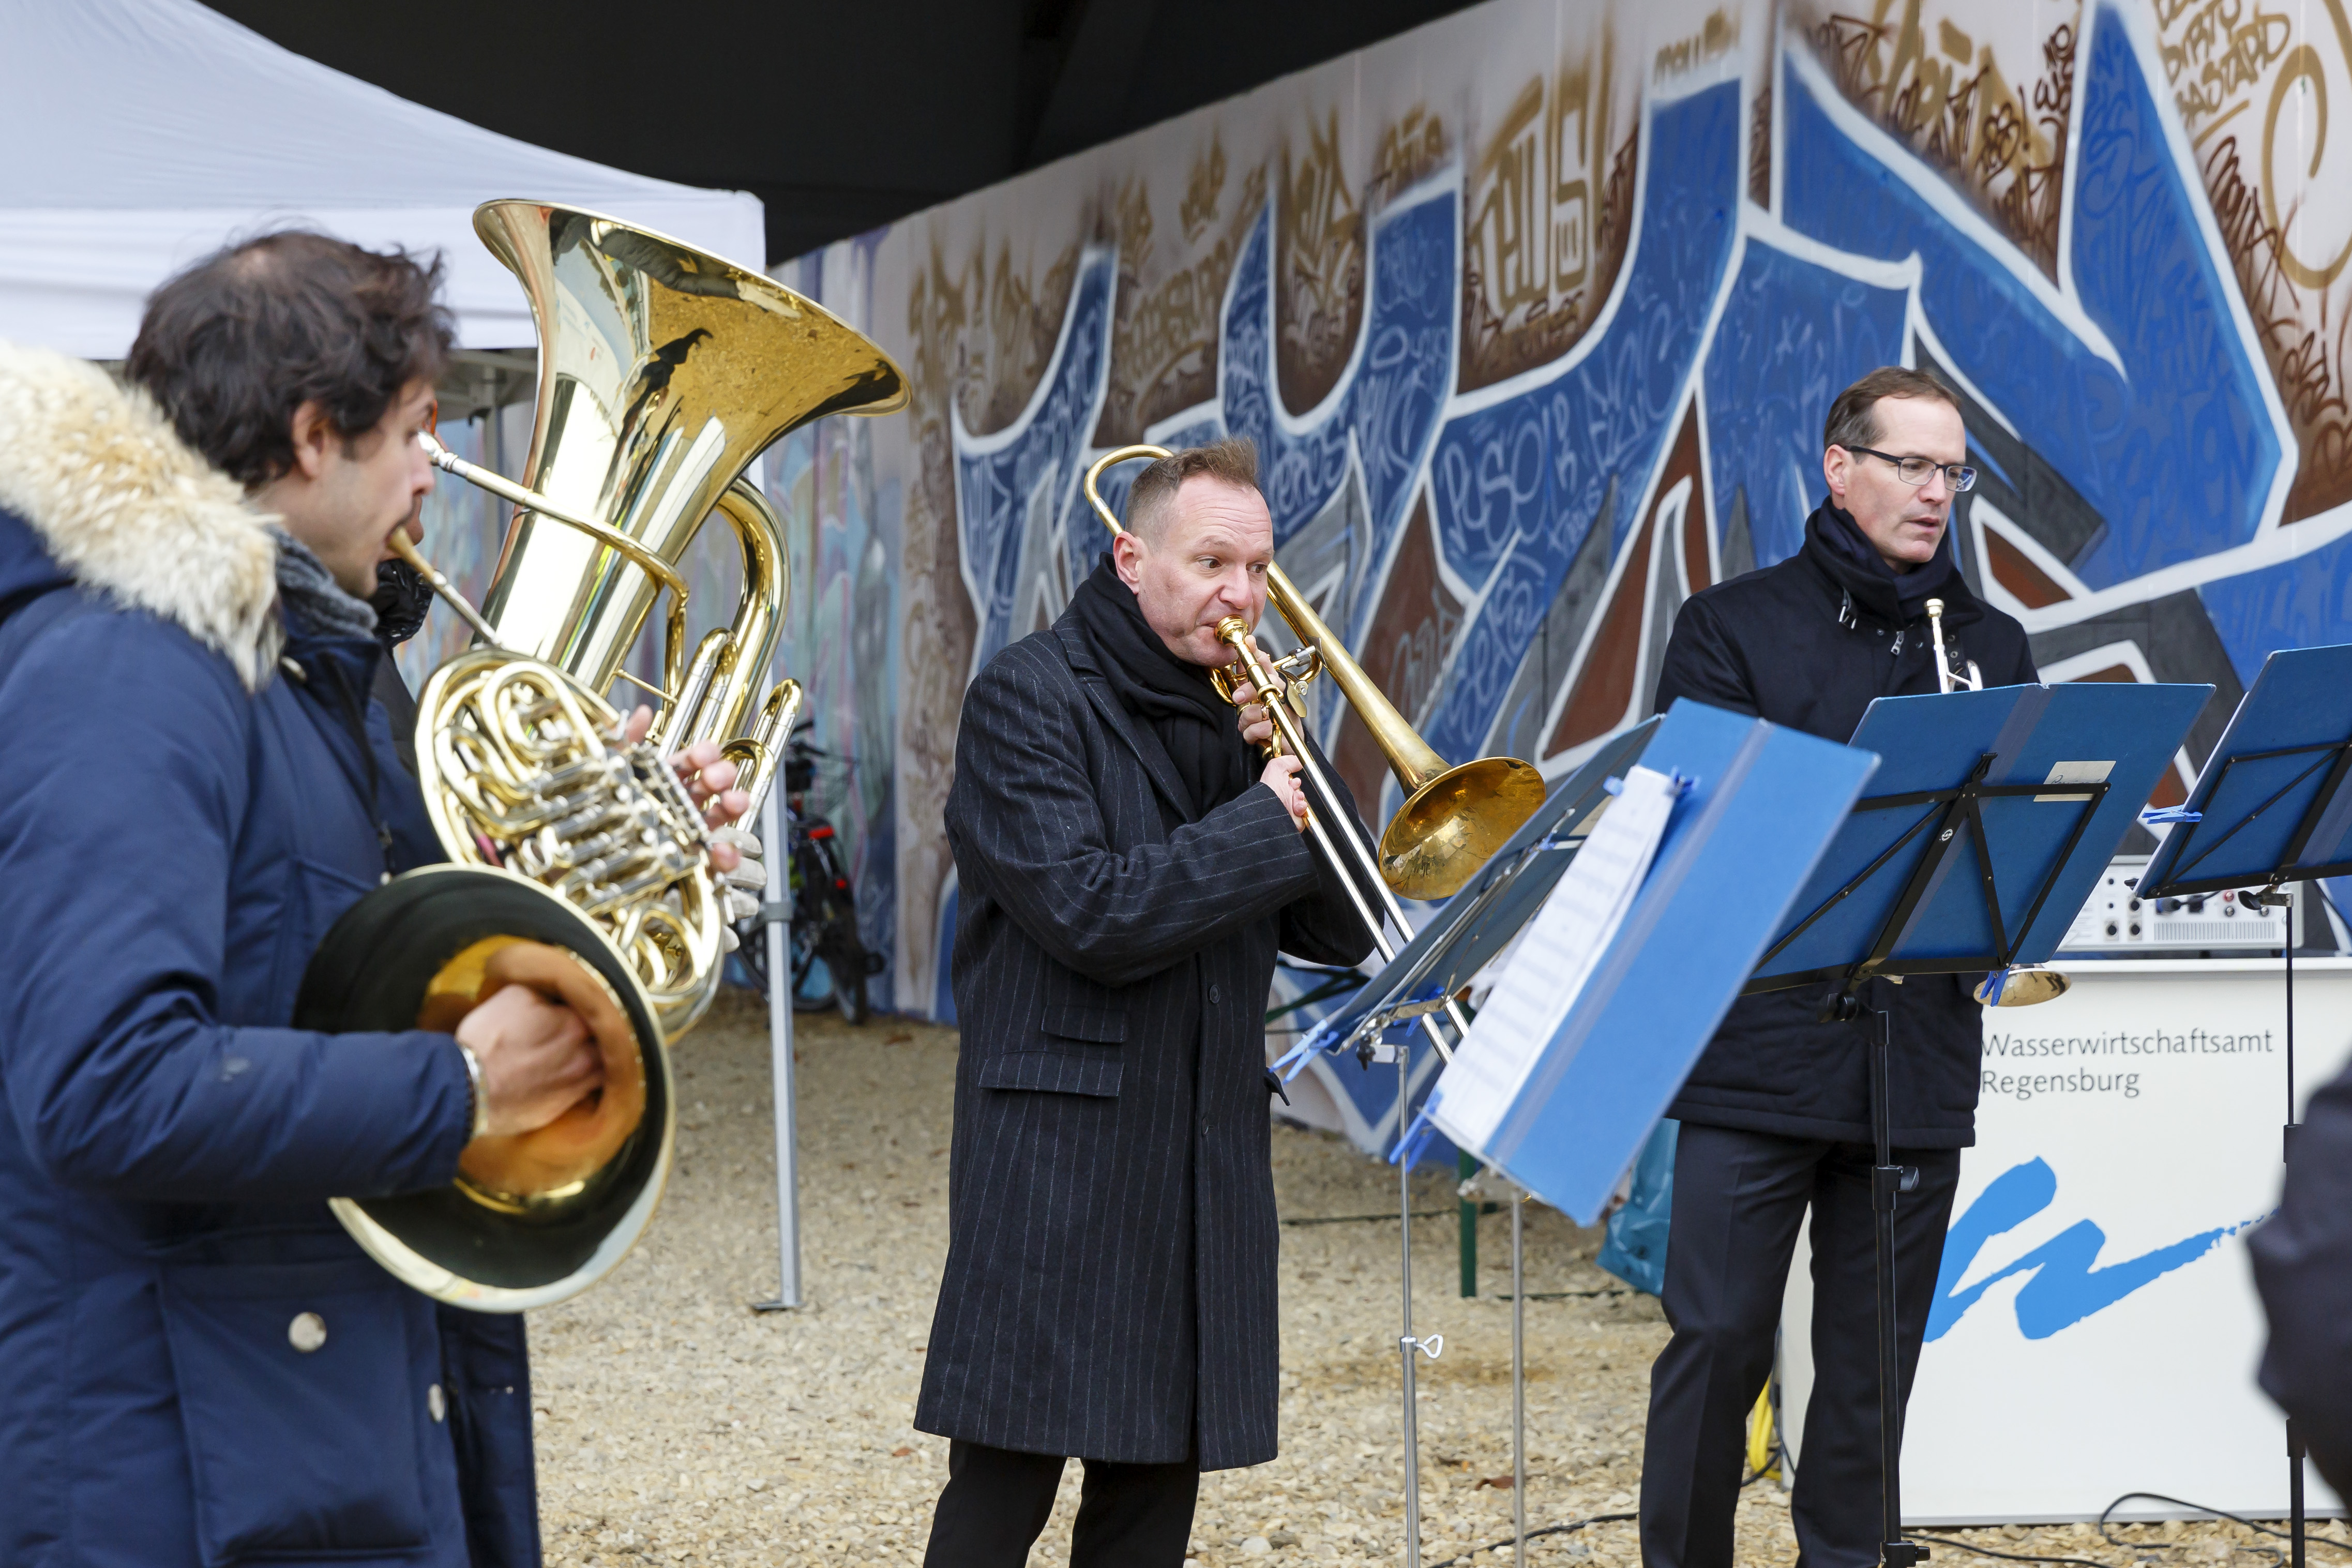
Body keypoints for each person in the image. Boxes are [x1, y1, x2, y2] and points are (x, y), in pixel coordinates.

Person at [0, 232, 749, 1568]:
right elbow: (105, 1087)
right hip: (180, 1468)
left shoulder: (306, 664)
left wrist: (623, 859)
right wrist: (454, 1093)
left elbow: (351, 965)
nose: (431, 473)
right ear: (307, 437)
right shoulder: (129, 670)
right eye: (412, 432)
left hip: (299, 1417)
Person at [914, 439, 1375, 1567]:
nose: (1245, 595)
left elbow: (1342, 927)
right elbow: (1092, 914)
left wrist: (1308, 774)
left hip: (1200, 1153)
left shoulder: (1236, 707)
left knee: (1152, 1494)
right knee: (1003, 1486)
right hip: (1060, 1160)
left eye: (1261, 569)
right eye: (1214, 561)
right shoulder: (1027, 698)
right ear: (1132, 557)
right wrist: (1264, 819)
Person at [1640, 366, 2037, 1567]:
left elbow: (2016, 841)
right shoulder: (1731, 626)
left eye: (1953, 472)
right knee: (1716, 1343)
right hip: (1757, 1051)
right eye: (1911, 465)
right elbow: (1693, 833)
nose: (1936, 494)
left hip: (1911, 1055)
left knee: (1872, 1363)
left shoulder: (1990, 641)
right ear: (1839, 465)